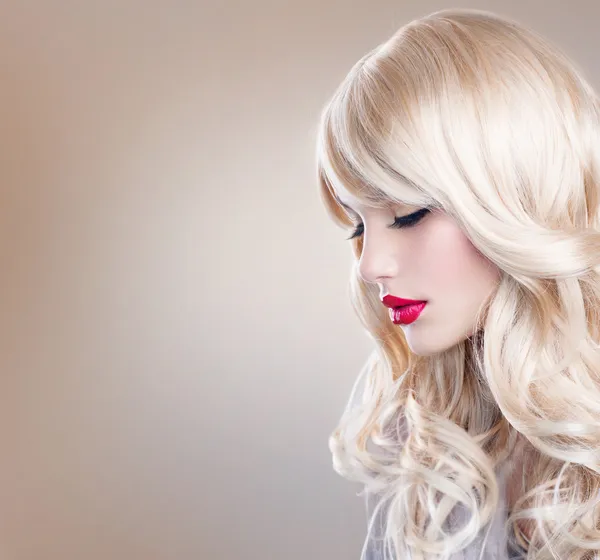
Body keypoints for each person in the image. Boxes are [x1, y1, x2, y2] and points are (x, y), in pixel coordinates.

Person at [314, 8, 600, 560]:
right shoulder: (423, 417)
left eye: (407, 215)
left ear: (519, 193)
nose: (371, 264)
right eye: (357, 223)